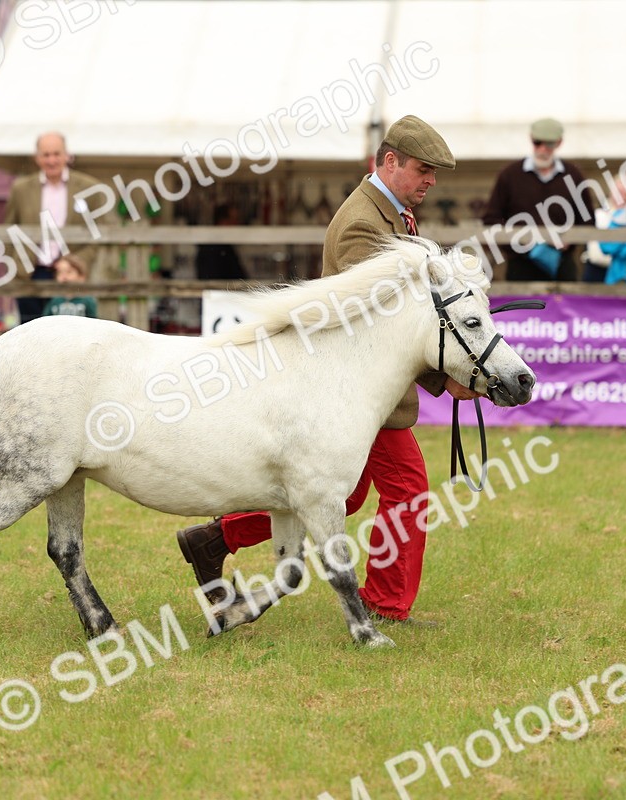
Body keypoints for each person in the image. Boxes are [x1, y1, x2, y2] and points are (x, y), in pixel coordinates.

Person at [175, 115, 482, 625]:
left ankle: (216, 537)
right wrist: (440, 377)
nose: (431, 180)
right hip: (354, 389)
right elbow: (382, 322)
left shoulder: (393, 213)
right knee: (407, 490)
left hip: (360, 389)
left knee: (348, 493)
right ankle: (384, 606)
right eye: (424, 169)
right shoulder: (364, 223)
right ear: (390, 161)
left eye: (435, 172)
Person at [3, 132, 113, 325]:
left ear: (66, 155)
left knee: (69, 335)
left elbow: (97, 234)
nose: (51, 160)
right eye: (46, 155)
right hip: (30, 274)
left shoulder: (88, 187)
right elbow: (8, 230)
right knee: (30, 334)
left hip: (70, 276)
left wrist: (78, 263)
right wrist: (16, 264)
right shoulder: (20, 189)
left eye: (56, 154)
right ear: (36, 158)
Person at [481, 118, 596, 281]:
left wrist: (569, 240)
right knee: (522, 307)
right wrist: (520, 244)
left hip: (561, 264)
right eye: (537, 142)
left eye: (549, 144)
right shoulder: (509, 175)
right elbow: (491, 219)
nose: (542, 149)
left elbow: (588, 219)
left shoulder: (573, 175)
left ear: (559, 143)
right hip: (520, 265)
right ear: (531, 139)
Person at [195, 203, 248, 281]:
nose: (237, 224)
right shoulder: (212, 249)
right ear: (223, 221)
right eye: (234, 220)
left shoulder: (224, 247)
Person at [43, 253, 97, 318]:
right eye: (60, 272)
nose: (64, 277)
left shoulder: (87, 300)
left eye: (69, 272)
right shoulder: (55, 301)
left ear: (81, 276)